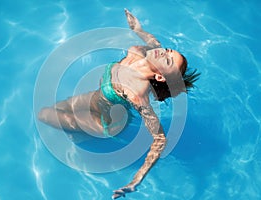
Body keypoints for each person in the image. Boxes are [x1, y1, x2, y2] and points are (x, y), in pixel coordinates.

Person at [38, 9, 200, 199]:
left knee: (44, 115)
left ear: (159, 77)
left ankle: (86, 135)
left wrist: (135, 181)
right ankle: (79, 135)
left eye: (167, 59)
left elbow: (160, 139)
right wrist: (137, 27)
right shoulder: (144, 52)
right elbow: (152, 40)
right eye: (168, 51)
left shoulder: (137, 92)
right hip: (95, 97)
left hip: (104, 120)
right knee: (54, 111)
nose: (162, 51)